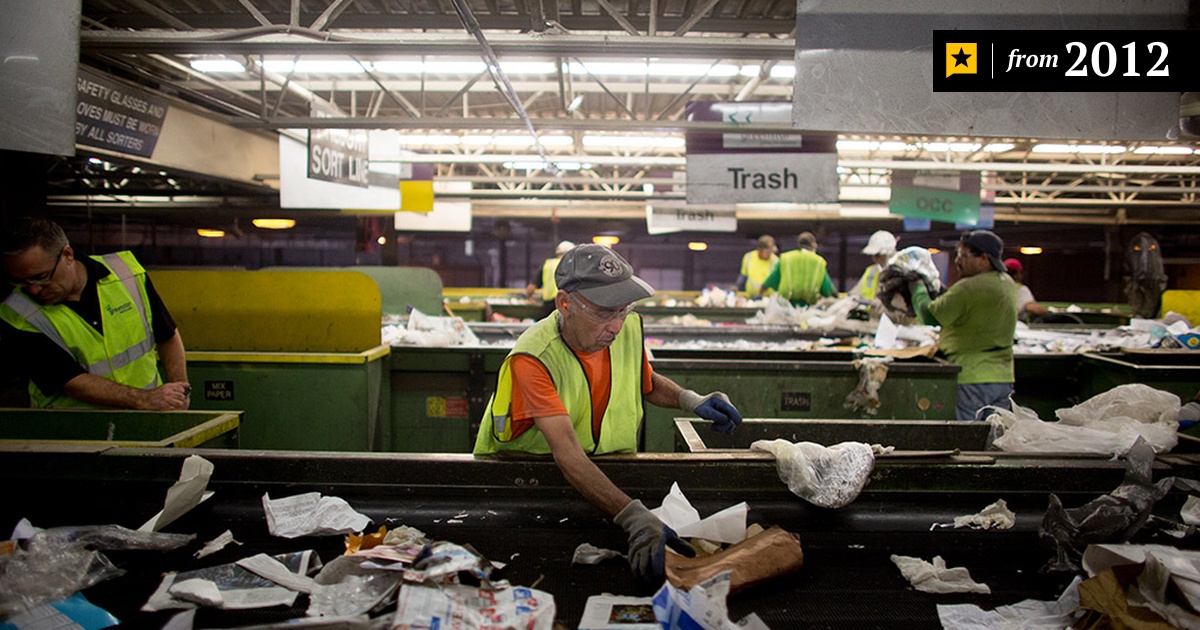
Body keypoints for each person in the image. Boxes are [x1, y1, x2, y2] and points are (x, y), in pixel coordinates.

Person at [474, 243, 743, 588]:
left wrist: (691, 400)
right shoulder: (534, 357)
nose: (616, 326)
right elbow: (568, 454)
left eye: (623, 309)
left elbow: (645, 381)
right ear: (565, 304)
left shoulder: (624, 328)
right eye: (604, 313)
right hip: (527, 493)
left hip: (601, 484)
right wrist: (635, 518)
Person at [0, 216, 190, 410]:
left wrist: (180, 389)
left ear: (67, 255)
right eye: (22, 282)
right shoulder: (18, 313)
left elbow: (167, 335)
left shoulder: (127, 274)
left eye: (41, 277)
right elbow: (69, 381)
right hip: (73, 433)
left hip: (145, 423)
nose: (33, 290)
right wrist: (144, 399)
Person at [908, 230, 1017, 421]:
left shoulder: (969, 287)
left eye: (963, 255)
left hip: (972, 378)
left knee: (968, 439)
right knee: (996, 436)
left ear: (983, 258)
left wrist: (917, 287)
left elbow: (929, 315)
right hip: (1003, 377)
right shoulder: (1007, 283)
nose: (957, 261)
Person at [757, 231, 838, 306]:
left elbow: (771, 280)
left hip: (786, 306)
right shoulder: (818, 261)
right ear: (813, 244)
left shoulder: (785, 258)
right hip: (808, 307)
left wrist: (759, 295)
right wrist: (837, 297)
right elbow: (828, 288)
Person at [525, 240, 574, 320]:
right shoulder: (571, 265)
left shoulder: (547, 264)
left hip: (547, 306)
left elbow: (530, 288)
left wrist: (529, 298)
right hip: (564, 305)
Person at [850, 230, 898, 301]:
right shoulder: (871, 271)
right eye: (873, 255)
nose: (874, 258)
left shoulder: (900, 273)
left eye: (877, 255)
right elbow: (854, 293)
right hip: (867, 311)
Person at [1003, 258, 1050, 322]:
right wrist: (1048, 311)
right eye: (1021, 273)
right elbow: (1032, 307)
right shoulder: (1021, 289)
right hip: (1015, 325)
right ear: (1017, 274)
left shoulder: (997, 287)